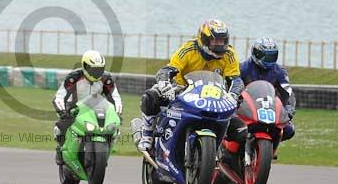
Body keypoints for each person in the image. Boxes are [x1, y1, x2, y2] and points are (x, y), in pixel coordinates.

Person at [137, 19, 244, 154]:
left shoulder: (230, 54)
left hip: (215, 94)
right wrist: (165, 83)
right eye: (215, 41)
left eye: (222, 41)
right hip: (183, 90)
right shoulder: (188, 50)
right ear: (203, 39)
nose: (220, 45)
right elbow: (167, 70)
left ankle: (224, 153)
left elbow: (236, 80)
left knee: (241, 128)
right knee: (151, 96)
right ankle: (147, 133)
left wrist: (233, 95)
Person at [52, 50, 123, 165]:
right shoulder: (74, 77)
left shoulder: (106, 79)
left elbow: (115, 98)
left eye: (100, 69)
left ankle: (104, 153)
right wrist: (63, 111)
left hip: (97, 109)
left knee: (114, 128)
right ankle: (60, 149)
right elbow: (59, 95)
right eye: (94, 69)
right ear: (85, 66)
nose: (97, 72)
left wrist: (117, 113)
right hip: (74, 109)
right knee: (60, 126)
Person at [230, 37, 297, 158]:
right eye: (264, 55)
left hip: (267, 108)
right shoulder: (242, 68)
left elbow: (288, 91)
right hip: (245, 108)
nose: (268, 60)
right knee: (230, 124)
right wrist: (233, 103)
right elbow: (233, 86)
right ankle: (229, 149)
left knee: (289, 129)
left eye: (272, 56)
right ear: (255, 53)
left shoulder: (279, 71)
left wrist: (289, 108)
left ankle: (270, 148)